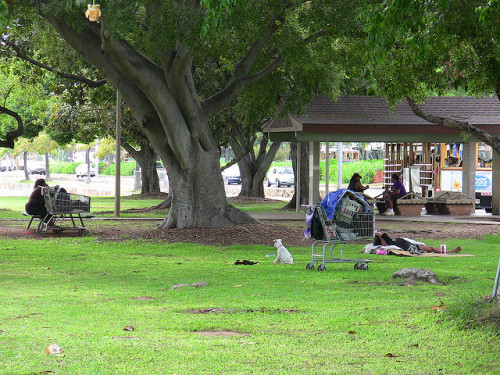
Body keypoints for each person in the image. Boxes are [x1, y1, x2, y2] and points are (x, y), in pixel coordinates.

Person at [374, 231, 461, 254]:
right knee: (431, 249)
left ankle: (447, 251)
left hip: (411, 244)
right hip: (412, 247)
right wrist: (381, 235)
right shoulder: (388, 243)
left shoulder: (390, 241)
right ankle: (450, 251)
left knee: (431, 248)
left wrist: (380, 235)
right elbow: (385, 243)